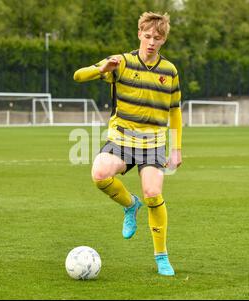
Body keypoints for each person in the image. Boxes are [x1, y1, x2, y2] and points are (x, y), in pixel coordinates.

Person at [73, 12, 182, 276]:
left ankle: (161, 257)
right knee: (99, 174)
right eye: (147, 36)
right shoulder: (120, 62)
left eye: (157, 38)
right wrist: (101, 70)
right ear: (139, 35)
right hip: (121, 139)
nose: (151, 42)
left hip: (153, 143)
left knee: (153, 194)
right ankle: (130, 205)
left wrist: (176, 148)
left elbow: (175, 112)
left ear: (163, 40)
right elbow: (78, 76)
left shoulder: (169, 71)